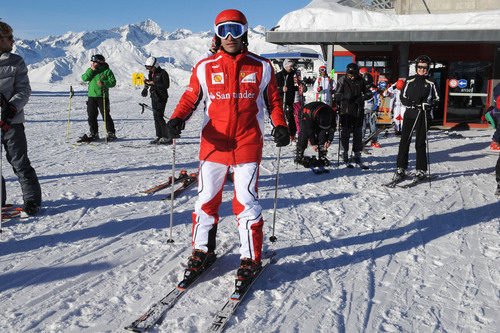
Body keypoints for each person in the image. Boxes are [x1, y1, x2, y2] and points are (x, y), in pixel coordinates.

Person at [166, 9, 289, 289]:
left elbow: (273, 102)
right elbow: (190, 98)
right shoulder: (205, 67)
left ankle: (250, 257)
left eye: (235, 29)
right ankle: (202, 250)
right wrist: (176, 118)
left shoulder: (262, 66)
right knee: (206, 198)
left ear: (245, 31)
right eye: (223, 30)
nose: (230, 36)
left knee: (245, 201)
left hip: (247, 142)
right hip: (213, 144)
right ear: (216, 34)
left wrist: (280, 125)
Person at [0, 21, 41, 215]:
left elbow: (24, 90)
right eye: (9, 38)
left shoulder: (15, 61)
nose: (13, 41)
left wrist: (10, 108)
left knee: (20, 162)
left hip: (11, 122)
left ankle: (32, 200)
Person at [392, 55, 439, 183]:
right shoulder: (409, 80)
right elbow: (403, 97)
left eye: (424, 68)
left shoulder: (431, 82)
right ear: (416, 67)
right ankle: (401, 168)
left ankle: (421, 170)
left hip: (423, 115)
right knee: (404, 141)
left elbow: (437, 99)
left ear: (428, 68)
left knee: (420, 143)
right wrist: (412, 104)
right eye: (419, 67)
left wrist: (429, 105)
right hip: (410, 114)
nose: (422, 70)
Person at [335, 63, 371, 166]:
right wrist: (346, 96)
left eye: (353, 74)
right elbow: (336, 95)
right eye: (350, 74)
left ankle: (357, 153)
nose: (351, 76)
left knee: (358, 133)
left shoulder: (361, 80)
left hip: (358, 110)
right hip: (346, 111)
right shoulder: (342, 80)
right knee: (345, 132)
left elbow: (369, 93)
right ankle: (344, 152)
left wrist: (363, 97)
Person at [79, 54, 117, 142]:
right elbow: (84, 78)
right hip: (91, 96)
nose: (93, 63)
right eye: (93, 62)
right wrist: (91, 70)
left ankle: (111, 133)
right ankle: (94, 134)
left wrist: (103, 83)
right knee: (91, 116)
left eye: (94, 62)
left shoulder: (107, 71)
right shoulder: (91, 70)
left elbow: (113, 83)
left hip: (102, 97)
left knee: (105, 115)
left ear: (100, 62)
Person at [294, 101, 336, 167]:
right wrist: (313, 143)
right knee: (304, 133)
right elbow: (310, 130)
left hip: (319, 113)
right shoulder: (309, 114)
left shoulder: (332, 113)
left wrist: (329, 140)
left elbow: (332, 128)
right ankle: (299, 155)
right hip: (305, 114)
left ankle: (322, 156)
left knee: (322, 134)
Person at [141, 56, 171, 145]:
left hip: (161, 97)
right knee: (155, 117)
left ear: (156, 65)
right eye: (148, 68)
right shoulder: (151, 73)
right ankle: (159, 136)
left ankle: (166, 136)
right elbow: (149, 82)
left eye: (150, 67)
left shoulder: (163, 73)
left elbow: (166, 85)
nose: (149, 69)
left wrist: (154, 83)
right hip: (154, 96)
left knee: (159, 116)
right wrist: (145, 88)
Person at [276, 59, 298, 139]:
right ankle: (281, 134)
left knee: (292, 118)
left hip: (291, 100)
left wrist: (299, 88)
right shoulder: (279, 75)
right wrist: (281, 89)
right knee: (282, 118)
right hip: (282, 100)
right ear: (285, 66)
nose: (292, 67)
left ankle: (292, 134)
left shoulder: (293, 75)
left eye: (292, 65)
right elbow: (273, 88)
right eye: (290, 65)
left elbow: (292, 88)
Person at [359, 68, 381, 148]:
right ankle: (361, 140)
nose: (368, 86)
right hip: (363, 109)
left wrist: (375, 109)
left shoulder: (374, 89)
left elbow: (377, 99)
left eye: (369, 84)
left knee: (373, 126)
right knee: (363, 127)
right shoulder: (360, 87)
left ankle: (374, 140)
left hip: (371, 109)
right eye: (366, 84)